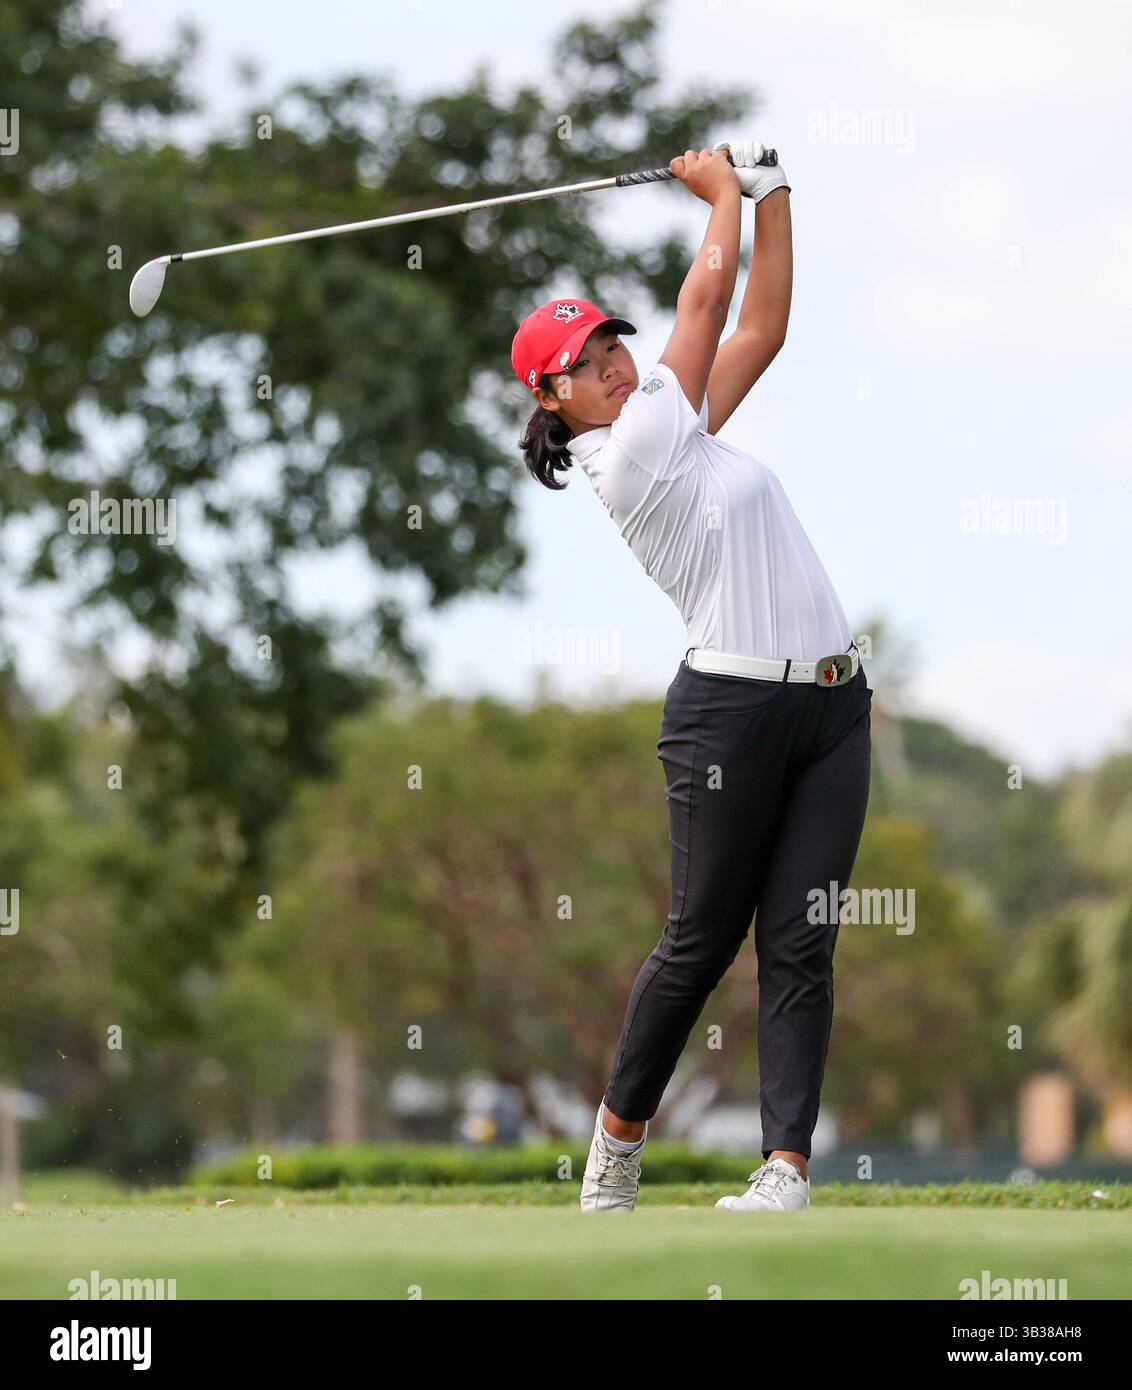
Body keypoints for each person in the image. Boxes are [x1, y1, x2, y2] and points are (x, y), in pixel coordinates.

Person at [509, 144, 873, 1213]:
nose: (616, 364)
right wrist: (718, 194)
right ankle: (617, 1145)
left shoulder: (684, 432)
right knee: (701, 940)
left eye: (614, 344)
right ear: (553, 395)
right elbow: (706, 297)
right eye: (589, 362)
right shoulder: (628, 454)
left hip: (832, 707)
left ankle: (785, 1168)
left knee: (801, 937)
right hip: (728, 716)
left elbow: (759, 326)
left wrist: (771, 195)